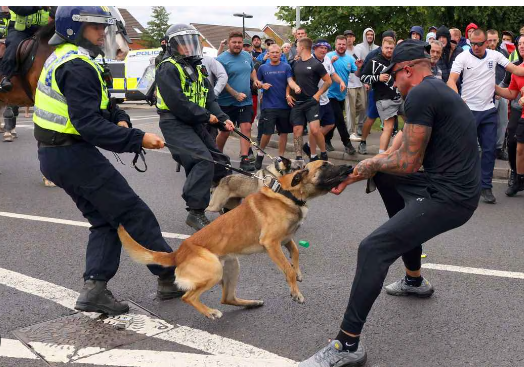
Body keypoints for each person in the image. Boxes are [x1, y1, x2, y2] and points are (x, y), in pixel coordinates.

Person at [300, 39, 480, 367]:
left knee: (373, 248)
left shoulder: (422, 95)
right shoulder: (434, 90)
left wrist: (358, 170)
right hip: (445, 185)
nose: (393, 83)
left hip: (452, 197)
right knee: (384, 175)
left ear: (406, 70)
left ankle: (347, 346)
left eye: (394, 76)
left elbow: (407, 163)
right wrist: (353, 174)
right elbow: (394, 154)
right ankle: (414, 280)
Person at [35, 6, 185, 316]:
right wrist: (137, 139)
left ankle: (95, 289)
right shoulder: (77, 65)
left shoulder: (71, 57)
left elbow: (103, 104)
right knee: (133, 212)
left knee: (105, 220)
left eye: (103, 26)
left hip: (56, 155)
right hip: (71, 154)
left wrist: (121, 119)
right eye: (94, 27)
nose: (102, 33)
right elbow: (88, 122)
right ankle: (171, 277)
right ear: (74, 28)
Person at [156, 24, 234, 230]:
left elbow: (209, 98)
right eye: (183, 43)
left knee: (221, 161)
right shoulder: (167, 67)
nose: (189, 46)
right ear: (173, 46)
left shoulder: (198, 67)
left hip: (196, 121)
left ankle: (230, 207)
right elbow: (178, 103)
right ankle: (195, 211)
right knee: (202, 161)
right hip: (174, 122)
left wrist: (223, 117)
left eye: (192, 42)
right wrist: (207, 117)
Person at [447, 28, 524, 204]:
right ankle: (459, 184)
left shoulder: (494, 56)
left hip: (488, 111)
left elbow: (516, 70)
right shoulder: (463, 57)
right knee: (465, 150)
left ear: (486, 43)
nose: (476, 47)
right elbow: (451, 80)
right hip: (468, 111)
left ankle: (486, 187)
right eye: (473, 44)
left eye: (479, 44)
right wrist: (458, 98)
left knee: (489, 150)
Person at [216, 31, 262, 171]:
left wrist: (255, 80)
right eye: (234, 42)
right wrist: (235, 94)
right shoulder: (221, 59)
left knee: (246, 128)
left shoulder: (247, 56)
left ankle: (245, 158)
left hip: (245, 100)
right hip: (226, 102)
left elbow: (251, 70)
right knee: (225, 131)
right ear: (228, 43)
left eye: (239, 42)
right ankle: (217, 156)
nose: (237, 45)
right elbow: (221, 80)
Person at [287, 37, 331, 166]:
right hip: (297, 103)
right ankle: (299, 158)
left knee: (315, 130)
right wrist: (287, 94)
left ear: (302, 47)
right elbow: (290, 80)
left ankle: (323, 154)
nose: (296, 50)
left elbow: (328, 81)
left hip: (311, 101)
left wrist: (317, 95)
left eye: (297, 47)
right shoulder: (295, 63)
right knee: (297, 130)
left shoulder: (316, 64)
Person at [361, 35, 403, 153]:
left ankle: (403, 151)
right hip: (384, 99)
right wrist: (377, 77)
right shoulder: (373, 61)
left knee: (411, 122)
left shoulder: (397, 61)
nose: (389, 50)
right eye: (387, 48)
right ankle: (381, 156)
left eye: (391, 48)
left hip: (399, 97)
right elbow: (363, 77)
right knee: (388, 128)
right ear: (382, 48)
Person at [255, 44, 295, 168]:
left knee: (283, 133)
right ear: (268, 53)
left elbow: (289, 81)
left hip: (284, 105)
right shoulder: (263, 67)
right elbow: (257, 82)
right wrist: (261, 86)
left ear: (281, 54)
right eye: (272, 52)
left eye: (277, 52)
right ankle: (260, 153)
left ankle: (281, 157)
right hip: (269, 105)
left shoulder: (286, 67)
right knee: (267, 132)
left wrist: (291, 91)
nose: (275, 54)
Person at [495, 36, 524, 196]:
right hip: (519, 111)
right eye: (519, 44)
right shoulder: (515, 69)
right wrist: (492, 87)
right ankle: (516, 174)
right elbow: (511, 92)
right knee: (513, 142)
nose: (521, 46)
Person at [0, 6, 52, 91]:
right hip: (20, 30)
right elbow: (20, 9)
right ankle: (5, 77)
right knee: (13, 48)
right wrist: (39, 6)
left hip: (44, 30)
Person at [325, 35, 360, 155]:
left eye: (343, 44)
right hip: (329, 94)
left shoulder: (349, 59)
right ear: (335, 44)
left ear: (346, 45)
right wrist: (330, 62)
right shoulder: (329, 56)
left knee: (334, 120)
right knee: (340, 119)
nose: (341, 46)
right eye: (339, 44)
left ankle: (326, 140)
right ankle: (347, 144)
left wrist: (360, 67)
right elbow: (323, 70)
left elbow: (357, 73)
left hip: (341, 94)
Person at [487, 29, 510, 161]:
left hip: (501, 90)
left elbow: (506, 72)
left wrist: (501, 88)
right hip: (487, 91)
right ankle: (485, 147)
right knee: (489, 121)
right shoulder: (482, 54)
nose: (492, 43)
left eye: (495, 40)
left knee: (503, 120)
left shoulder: (503, 53)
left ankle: (499, 148)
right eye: (490, 40)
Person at [344, 29, 366, 140]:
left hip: (360, 82)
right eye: (346, 37)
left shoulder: (359, 50)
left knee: (362, 106)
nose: (349, 39)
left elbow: (363, 65)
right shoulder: (342, 52)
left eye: (351, 36)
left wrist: (365, 81)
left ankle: (347, 119)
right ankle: (351, 132)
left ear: (354, 38)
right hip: (349, 84)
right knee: (351, 109)